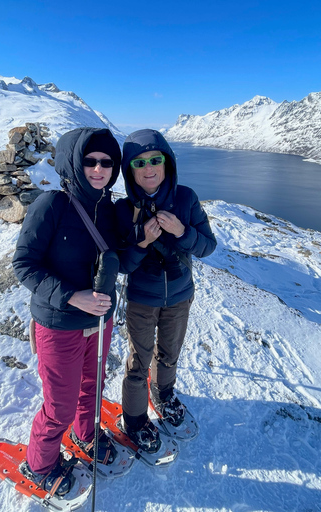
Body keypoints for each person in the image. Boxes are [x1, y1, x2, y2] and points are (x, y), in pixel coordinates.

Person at [12, 127, 121, 495]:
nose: (98, 168)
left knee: (93, 387)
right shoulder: (51, 205)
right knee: (59, 403)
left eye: (107, 162)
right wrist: (73, 296)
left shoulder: (108, 209)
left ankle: (86, 435)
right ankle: (39, 464)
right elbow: (24, 264)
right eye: (89, 160)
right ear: (74, 162)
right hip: (59, 323)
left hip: (100, 321)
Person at [116, 129, 217, 452]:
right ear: (129, 169)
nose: (149, 168)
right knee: (139, 361)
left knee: (169, 353)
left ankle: (164, 394)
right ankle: (133, 421)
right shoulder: (123, 209)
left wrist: (182, 231)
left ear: (167, 162)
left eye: (155, 160)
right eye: (139, 162)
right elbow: (123, 265)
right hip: (142, 300)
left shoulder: (185, 198)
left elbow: (207, 247)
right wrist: (142, 242)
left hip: (179, 296)